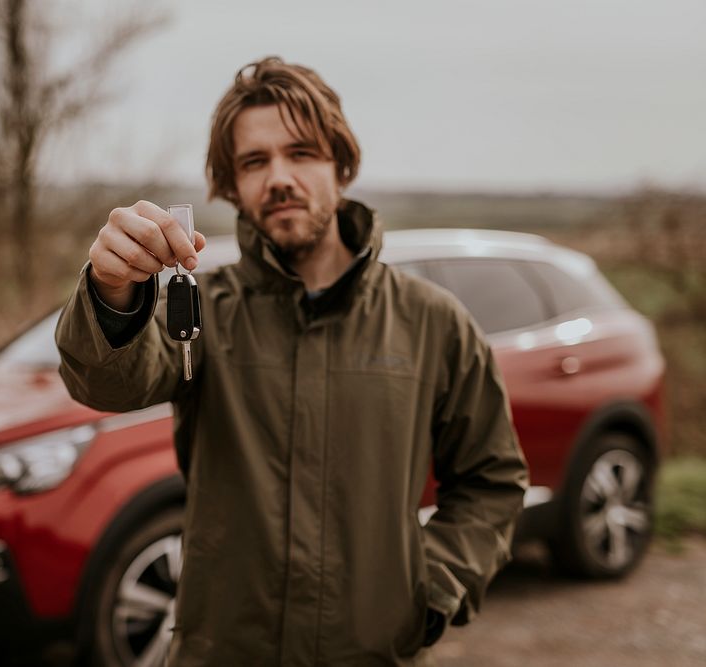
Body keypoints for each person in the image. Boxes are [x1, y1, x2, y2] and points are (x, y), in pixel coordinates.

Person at [56, 57, 529, 666]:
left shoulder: (434, 323)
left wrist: (431, 592)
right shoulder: (203, 313)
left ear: (341, 167)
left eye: (301, 153)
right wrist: (112, 291)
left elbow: (493, 482)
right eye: (254, 161)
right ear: (232, 187)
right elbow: (108, 384)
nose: (279, 177)